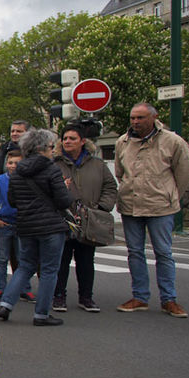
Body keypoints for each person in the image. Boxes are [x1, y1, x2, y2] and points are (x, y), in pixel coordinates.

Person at [114, 103, 189, 317]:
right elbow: (120, 173)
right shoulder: (123, 142)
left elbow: (184, 174)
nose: (135, 122)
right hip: (131, 206)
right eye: (132, 118)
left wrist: (170, 195)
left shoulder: (173, 141)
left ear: (153, 117)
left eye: (140, 118)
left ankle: (169, 299)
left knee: (163, 252)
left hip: (160, 207)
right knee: (135, 253)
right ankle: (140, 296)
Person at [0, 129, 73, 326]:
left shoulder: (18, 171)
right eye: (50, 147)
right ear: (42, 149)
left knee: (25, 266)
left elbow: (12, 201)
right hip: (50, 227)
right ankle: (41, 314)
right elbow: (63, 201)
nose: (53, 150)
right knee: (48, 270)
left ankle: (6, 303)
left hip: (25, 225)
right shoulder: (52, 170)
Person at [52, 123, 118, 313]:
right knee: (61, 260)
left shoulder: (97, 165)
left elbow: (110, 188)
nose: (67, 142)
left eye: (72, 138)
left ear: (82, 141)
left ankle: (86, 297)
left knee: (86, 260)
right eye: (64, 139)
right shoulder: (55, 164)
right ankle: (59, 296)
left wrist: (101, 208)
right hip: (63, 219)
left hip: (89, 220)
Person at [0, 150, 36, 302]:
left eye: (17, 163)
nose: (13, 166)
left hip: (21, 225)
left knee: (23, 259)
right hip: (4, 224)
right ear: (6, 164)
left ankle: (24, 289)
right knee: (2, 259)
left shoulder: (28, 180)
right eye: (11, 163)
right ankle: (0, 288)